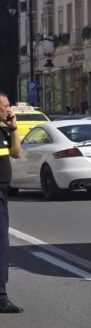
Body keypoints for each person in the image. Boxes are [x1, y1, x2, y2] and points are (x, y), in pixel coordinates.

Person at [0, 92, 25, 313]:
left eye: (9, 107)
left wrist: (13, 128)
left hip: (2, 192)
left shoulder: (4, 129)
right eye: (3, 107)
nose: (8, 111)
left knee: (1, 244)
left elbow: (17, 153)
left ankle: (0, 296)